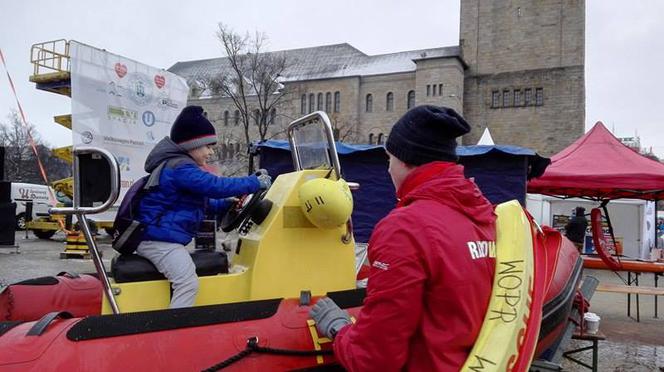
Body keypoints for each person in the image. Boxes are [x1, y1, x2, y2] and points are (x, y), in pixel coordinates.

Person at [310, 105, 497, 371]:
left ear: (407, 159)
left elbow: (374, 359)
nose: (388, 170)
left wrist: (339, 329)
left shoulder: (405, 229)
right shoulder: (485, 216)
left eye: (390, 159)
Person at [135, 105, 271, 308]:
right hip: (157, 241)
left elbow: (198, 201)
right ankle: (173, 331)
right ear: (192, 145)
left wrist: (225, 205)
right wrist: (253, 182)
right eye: (208, 146)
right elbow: (214, 186)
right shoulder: (180, 167)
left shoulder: (178, 166)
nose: (211, 151)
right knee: (187, 283)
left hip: (158, 237)